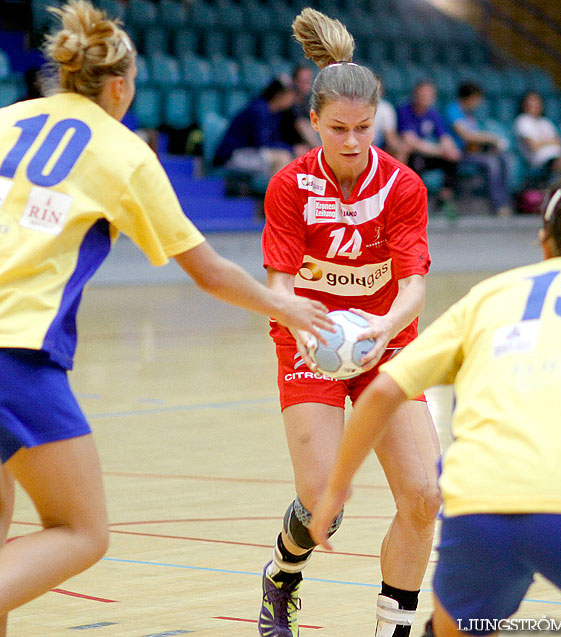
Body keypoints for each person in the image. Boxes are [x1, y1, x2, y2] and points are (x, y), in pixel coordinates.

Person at [0, 2, 332, 633]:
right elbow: (207, 270)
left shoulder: (7, 121)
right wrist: (284, 304)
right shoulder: (122, 154)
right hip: (15, 355)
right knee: (80, 531)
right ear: (121, 85)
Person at [309, 170, 561, 637]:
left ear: (544, 241)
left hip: (479, 505)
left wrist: (334, 490)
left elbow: (382, 392)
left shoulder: (489, 297)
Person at [258, 8, 441, 637]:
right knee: (320, 507)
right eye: (338, 128)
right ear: (313, 122)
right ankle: (283, 575)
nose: (353, 141)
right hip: (309, 338)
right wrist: (312, 325)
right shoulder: (288, 186)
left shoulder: (402, 185)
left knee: (423, 498)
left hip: (384, 339)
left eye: (365, 128)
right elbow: (280, 285)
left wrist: (379, 331)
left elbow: (414, 288)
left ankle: (393, 628)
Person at [445, 82, 513, 217]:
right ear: (471, 98)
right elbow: (466, 136)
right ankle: (498, 205)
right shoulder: (453, 110)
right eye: (477, 99)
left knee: (504, 158)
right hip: (457, 155)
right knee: (491, 163)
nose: (478, 103)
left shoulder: (469, 114)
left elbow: (474, 141)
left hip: (471, 152)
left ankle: (506, 202)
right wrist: (491, 138)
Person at [213, 76, 298, 181]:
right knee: (282, 157)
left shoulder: (276, 113)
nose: (292, 99)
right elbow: (262, 143)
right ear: (278, 95)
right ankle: (274, 196)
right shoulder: (259, 110)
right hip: (232, 156)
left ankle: (277, 195)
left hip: (251, 153)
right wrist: (292, 149)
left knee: (291, 159)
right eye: (289, 95)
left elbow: (274, 139)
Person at [396, 80, 461, 215]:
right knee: (415, 161)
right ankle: (411, 202)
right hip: (411, 155)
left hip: (429, 153)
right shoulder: (404, 111)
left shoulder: (433, 114)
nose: (425, 98)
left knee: (452, 159)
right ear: (415, 95)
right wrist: (440, 151)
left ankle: (444, 199)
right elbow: (411, 141)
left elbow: (444, 137)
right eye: (423, 95)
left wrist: (450, 150)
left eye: (429, 96)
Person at [280, 64, 319, 153]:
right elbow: (300, 124)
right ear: (294, 81)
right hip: (285, 144)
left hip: (301, 143)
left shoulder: (308, 100)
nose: (305, 85)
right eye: (301, 81)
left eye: (308, 81)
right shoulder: (287, 100)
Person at [372, 77, 406, 163]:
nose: (375, 92)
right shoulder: (355, 106)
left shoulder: (386, 108)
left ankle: (397, 176)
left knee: (401, 149)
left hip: (377, 147)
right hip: (358, 144)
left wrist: (401, 147)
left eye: (378, 89)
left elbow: (390, 137)